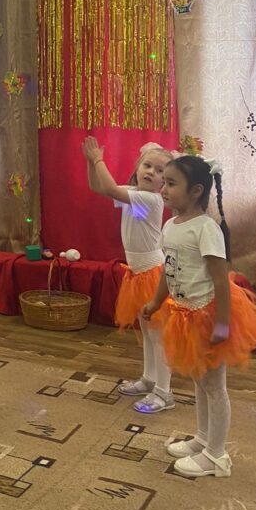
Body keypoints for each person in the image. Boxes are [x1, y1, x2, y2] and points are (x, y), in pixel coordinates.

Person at [142, 156, 256, 478]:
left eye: (171, 183)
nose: (163, 189)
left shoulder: (206, 229)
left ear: (196, 190)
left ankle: (217, 455)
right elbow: (168, 269)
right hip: (184, 315)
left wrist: (222, 324)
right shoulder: (171, 226)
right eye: (164, 182)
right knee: (199, 380)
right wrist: (156, 301)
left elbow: (221, 282)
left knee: (213, 385)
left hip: (208, 315)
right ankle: (203, 438)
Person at [82, 137, 175, 414]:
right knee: (146, 331)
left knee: (157, 336)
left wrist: (98, 159)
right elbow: (98, 187)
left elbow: (109, 187)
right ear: (138, 167)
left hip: (152, 273)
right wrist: (90, 163)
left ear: (165, 183)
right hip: (138, 273)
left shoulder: (150, 200)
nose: (151, 172)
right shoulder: (134, 193)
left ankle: (164, 392)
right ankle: (149, 379)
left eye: (160, 171)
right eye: (148, 166)